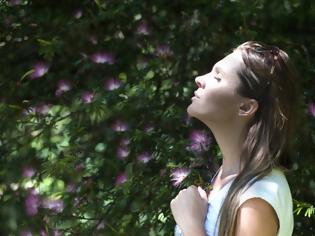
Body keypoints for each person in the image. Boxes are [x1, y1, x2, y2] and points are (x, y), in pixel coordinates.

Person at [170, 41, 302, 236]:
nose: (199, 78)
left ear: (245, 108)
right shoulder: (227, 178)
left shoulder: (257, 196)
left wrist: (191, 225)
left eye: (217, 77)